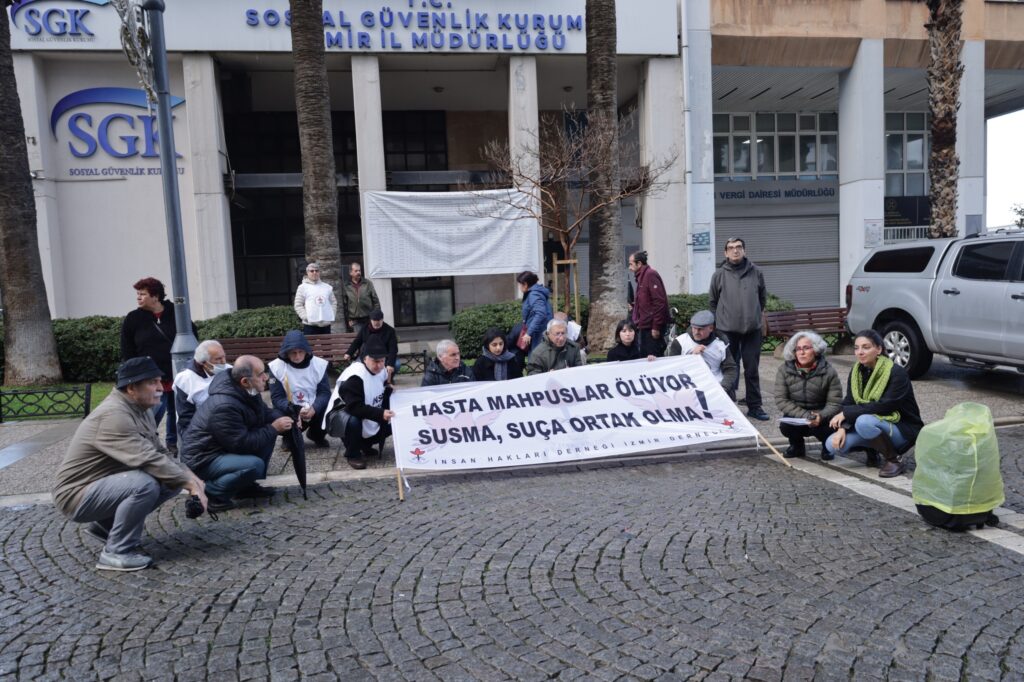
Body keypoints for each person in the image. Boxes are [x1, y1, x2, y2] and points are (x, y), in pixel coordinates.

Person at [53, 357, 207, 572]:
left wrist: (193, 479)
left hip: (100, 485)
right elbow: (148, 459)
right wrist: (190, 484)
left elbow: (160, 453)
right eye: (152, 382)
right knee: (144, 484)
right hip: (74, 496)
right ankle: (116, 552)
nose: (160, 388)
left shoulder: (141, 409)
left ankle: (105, 527)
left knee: (170, 480)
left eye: (159, 381)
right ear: (132, 388)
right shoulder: (114, 415)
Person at [180, 355, 294, 512]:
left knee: (267, 433)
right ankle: (210, 492)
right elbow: (241, 444)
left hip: (221, 449)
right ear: (245, 381)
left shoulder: (246, 390)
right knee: (254, 464)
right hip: (202, 460)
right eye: (260, 374)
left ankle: (244, 487)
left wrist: (285, 418)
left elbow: (264, 413)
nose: (266, 377)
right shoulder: (225, 405)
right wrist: (274, 428)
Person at [826, 329, 924, 478]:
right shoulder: (857, 371)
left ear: (879, 349)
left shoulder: (896, 373)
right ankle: (873, 449)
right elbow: (850, 402)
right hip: (873, 423)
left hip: (903, 428)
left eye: (866, 347)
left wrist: (846, 414)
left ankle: (894, 459)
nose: (860, 352)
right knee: (831, 445)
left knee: (863, 421)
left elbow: (885, 406)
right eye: (856, 348)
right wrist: (842, 429)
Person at [120, 277, 196, 453]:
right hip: (150, 376)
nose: (138, 297)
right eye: (138, 294)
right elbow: (127, 349)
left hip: (175, 373)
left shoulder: (176, 312)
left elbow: (191, 334)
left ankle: (172, 444)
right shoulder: (133, 318)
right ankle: (147, 443)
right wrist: (135, 374)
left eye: (142, 294)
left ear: (155, 296)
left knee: (177, 411)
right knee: (152, 412)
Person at [708, 237, 769, 421]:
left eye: (739, 247)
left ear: (744, 250)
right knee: (729, 369)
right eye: (731, 248)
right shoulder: (719, 275)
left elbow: (762, 299)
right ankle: (728, 406)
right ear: (725, 253)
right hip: (727, 331)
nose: (735, 250)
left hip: (752, 330)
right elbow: (713, 302)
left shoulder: (756, 272)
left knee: (752, 369)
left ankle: (755, 406)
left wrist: (753, 316)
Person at [326, 338, 394, 470]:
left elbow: (382, 384)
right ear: (365, 359)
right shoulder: (354, 377)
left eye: (382, 361)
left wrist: (388, 387)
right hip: (342, 416)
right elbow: (354, 407)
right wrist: (381, 413)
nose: (380, 365)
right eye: (375, 361)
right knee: (353, 421)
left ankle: (364, 445)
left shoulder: (381, 370)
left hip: (366, 410)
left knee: (395, 420)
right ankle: (353, 454)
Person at [773, 331, 843, 458]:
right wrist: (806, 416)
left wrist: (821, 416)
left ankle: (827, 446)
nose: (801, 352)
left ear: (815, 350)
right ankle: (797, 446)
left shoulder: (829, 371)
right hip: (798, 415)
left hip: (821, 415)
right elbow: (781, 400)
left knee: (831, 424)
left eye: (806, 348)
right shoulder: (784, 370)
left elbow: (835, 402)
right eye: (798, 349)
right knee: (786, 426)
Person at [268, 331, 332, 448]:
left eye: (300, 352)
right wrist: (295, 410)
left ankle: (317, 435)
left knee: (330, 409)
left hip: (313, 407)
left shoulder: (319, 365)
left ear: (306, 351)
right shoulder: (276, 367)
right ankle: (289, 437)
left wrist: (315, 408)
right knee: (276, 414)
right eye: (293, 352)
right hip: (290, 409)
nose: (297, 356)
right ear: (286, 352)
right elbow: (277, 398)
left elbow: (325, 392)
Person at [666, 310, 739, 401]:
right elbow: (671, 369)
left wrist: (723, 387)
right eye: (694, 328)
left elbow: (731, 368)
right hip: (689, 388)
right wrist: (691, 357)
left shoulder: (721, 343)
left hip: (715, 388)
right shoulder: (680, 342)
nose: (696, 332)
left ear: (711, 328)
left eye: (700, 329)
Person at [173, 340, 229, 448]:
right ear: (203, 362)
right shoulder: (185, 379)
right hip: (199, 429)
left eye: (224, 357)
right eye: (218, 359)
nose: (223, 362)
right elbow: (185, 417)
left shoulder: (229, 371)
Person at [628, 251, 671, 357]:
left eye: (631, 264)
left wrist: (656, 327)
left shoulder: (650, 275)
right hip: (644, 326)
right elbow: (646, 301)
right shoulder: (641, 277)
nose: (629, 268)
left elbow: (660, 302)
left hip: (651, 328)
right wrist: (634, 307)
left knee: (653, 358)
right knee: (644, 358)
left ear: (639, 264)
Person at [343, 309, 399, 384]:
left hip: (384, 356)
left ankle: (387, 379)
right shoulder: (365, 328)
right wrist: (349, 353)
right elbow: (357, 341)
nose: (376, 324)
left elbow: (393, 349)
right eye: (374, 322)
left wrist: (390, 364)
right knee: (356, 366)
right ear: (370, 320)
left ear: (382, 320)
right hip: (367, 356)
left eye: (378, 323)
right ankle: (365, 381)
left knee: (396, 364)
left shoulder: (390, 331)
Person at [293, 262, 338, 335]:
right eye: (312, 271)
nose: (314, 272)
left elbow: (333, 302)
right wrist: (306, 317)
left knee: (326, 343)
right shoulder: (302, 287)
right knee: (310, 343)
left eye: (316, 271)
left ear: (319, 272)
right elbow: (298, 305)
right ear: (307, 273)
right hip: (310, 325)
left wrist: (331, 315)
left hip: (325, 325)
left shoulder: (327, 287)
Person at [516, 271, 553, 355]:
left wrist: (529, 333)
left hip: (538, 333)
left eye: (520, 284)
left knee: (536, 358)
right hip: (541, 330)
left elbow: (540, 313)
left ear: (525, 284)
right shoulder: (537, 291)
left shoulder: (534, 294)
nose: (519, 287)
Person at [341, 262, 380, 335]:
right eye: (356, 271)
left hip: (369, 317)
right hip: (355, 320)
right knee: (359, 339)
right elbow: (345, 304)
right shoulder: (346, 285)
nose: (358, 272)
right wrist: (348, 319)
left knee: (371, 338)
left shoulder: (367, 283)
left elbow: (376, 301)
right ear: (350, 272)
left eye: (359, 270)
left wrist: (377, 316)